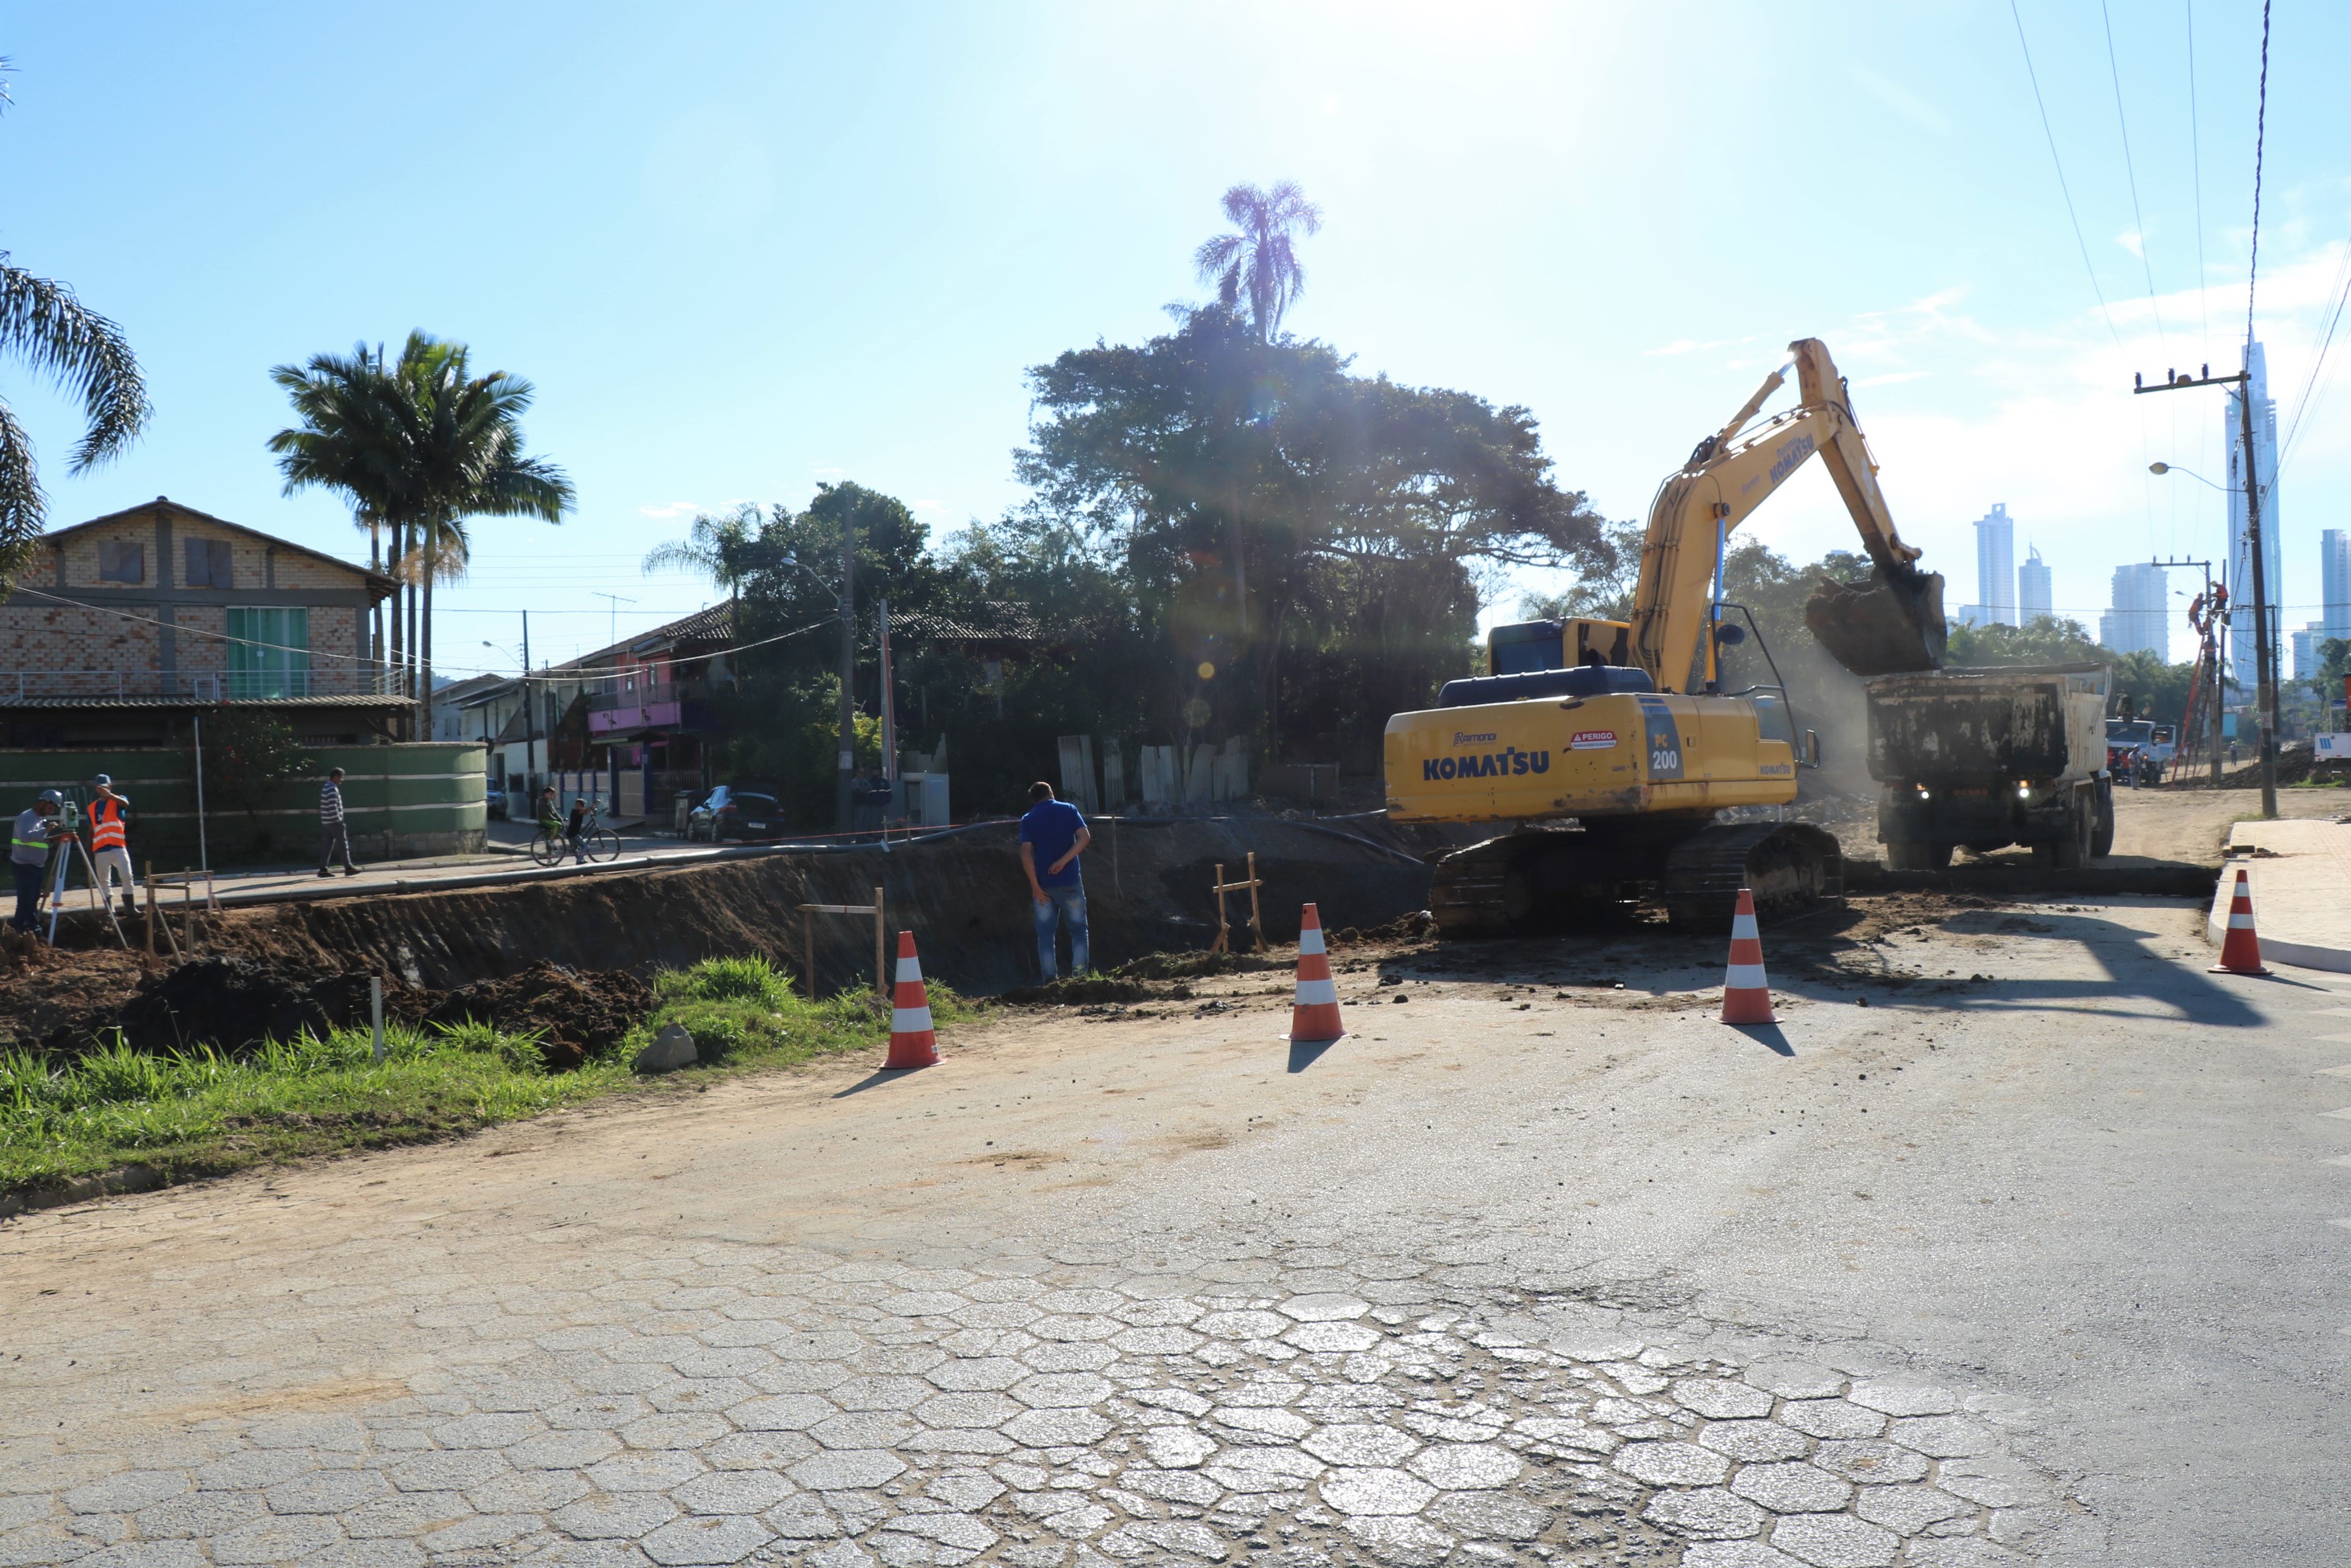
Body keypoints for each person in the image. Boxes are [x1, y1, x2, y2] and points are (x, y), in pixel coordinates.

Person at [1018, 780, 1091, 980]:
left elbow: (1025, 853)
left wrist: (1034, 886)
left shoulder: (1029, 818)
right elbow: (1084, 838)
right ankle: (1079, 977)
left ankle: (1050, 979)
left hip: (1042, 886)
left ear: (1033, 800)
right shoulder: (1069, 809)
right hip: (1070, 882)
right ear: (1051, 793)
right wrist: (1063, 861)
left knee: (1045, 935)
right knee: (1078, 930)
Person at [10, 789, 65, 935]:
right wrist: (45, 830)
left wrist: (52, 839)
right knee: (26, 900)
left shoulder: (38, 819)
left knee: (33, 899)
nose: (52, 810)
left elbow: (37, 840)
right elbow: (24, 837)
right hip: (24, 866)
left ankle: (31, 927)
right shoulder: (27, 817)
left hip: (35, 866)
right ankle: (19, 930)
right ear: (43, 802)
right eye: (51, 806)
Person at [84, 773, 137, 918]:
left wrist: (111, 795)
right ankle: (110, 910)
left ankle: (130, 908)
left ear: (110, 787)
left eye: (105, 787)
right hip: (101, 850)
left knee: (127, 876)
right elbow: (91, 831)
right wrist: (89, 853)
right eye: (100, 787)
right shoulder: (92, 808)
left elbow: (125, 804)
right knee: (104, 881)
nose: (102, 790)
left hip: (118, 847)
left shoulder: (117, 801)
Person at [318, 766, 358, 878]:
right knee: (342, 844)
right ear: (335, 777)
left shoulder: (326, 786)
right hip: (333, 821)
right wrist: (338, 820)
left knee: (328, 845)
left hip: (326, 821)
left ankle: (323, 869)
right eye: (341, 777)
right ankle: (348, 867)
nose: (342, 780)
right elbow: (332, 806)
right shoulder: (331, 788)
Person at [565, 797, 592, 864]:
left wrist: (590, 809)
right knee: (586, 846)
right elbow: (585, 811)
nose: (577, 807)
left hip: (572, 833)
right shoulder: (575, 811)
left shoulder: (579, 812)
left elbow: (586, 812)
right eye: (576, 805)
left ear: (582, 806)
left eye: (579, 805)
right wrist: (595, 804)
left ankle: (581, 859)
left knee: (576, 848)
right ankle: (579, 860)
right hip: (573, 834)